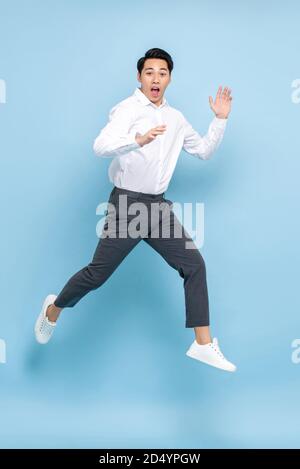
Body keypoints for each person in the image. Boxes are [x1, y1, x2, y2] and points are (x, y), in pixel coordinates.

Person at [34, 48, 236, 372]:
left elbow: (204, 151)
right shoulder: (127, 110)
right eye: (149, 72)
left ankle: (202, 344)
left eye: (162, 73)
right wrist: (136, 141)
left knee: (195, 265)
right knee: (96, 275)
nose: (156, 78)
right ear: (140, 77)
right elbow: (100, 146)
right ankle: (53, 310)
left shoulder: (176, 118)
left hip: (157, 206)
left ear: (169, 78)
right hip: (127, 204)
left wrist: (220, 119)